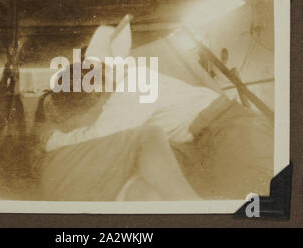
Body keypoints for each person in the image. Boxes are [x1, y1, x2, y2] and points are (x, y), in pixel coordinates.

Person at [44, 62, 274, 200]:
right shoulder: (120, 88)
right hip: (201, 139)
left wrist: (55, 140)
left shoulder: (134, 83)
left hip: (229, 129)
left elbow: (106, 133)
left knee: (254, 198)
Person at [34, 62, 200, 201]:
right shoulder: (126, 100)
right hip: (201, 135)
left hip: (212, 125)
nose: (106, 111)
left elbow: (103, 131)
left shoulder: (134, 84)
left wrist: (54, 141)